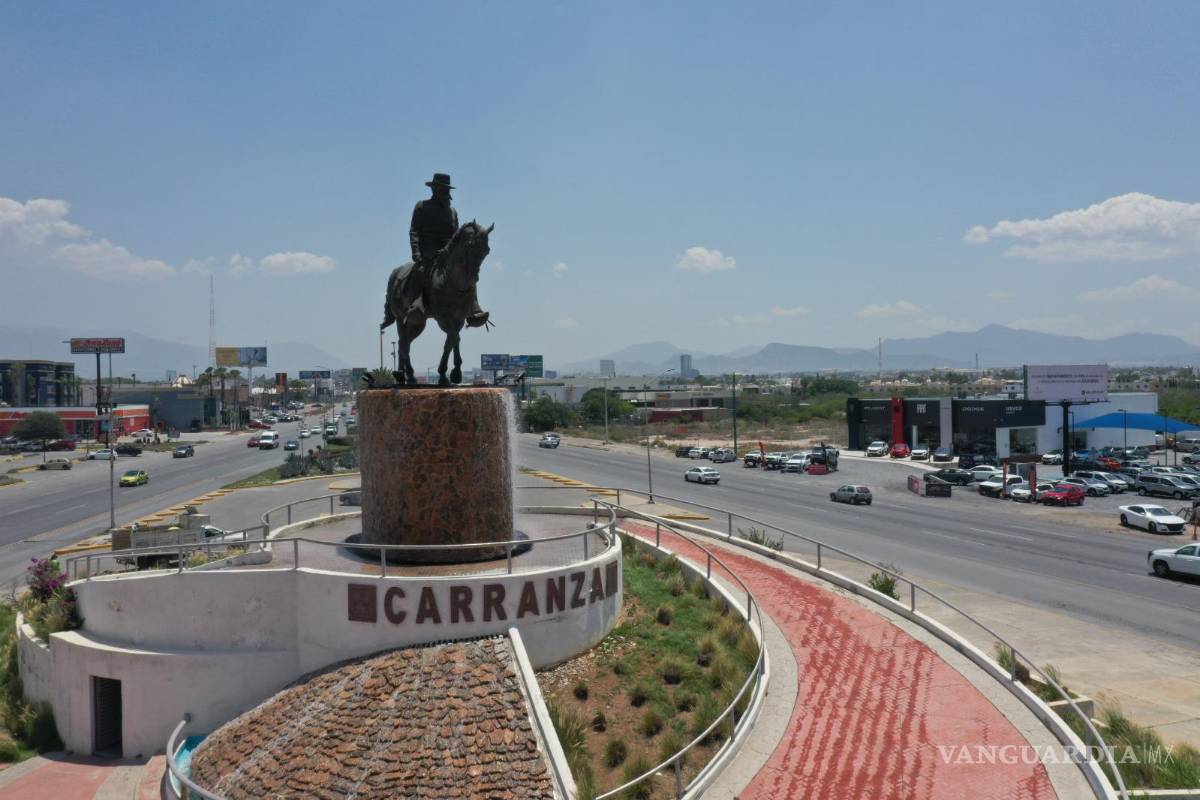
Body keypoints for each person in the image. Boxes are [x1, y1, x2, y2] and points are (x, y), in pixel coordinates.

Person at [401, 173, 489, 327]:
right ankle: (416, 304)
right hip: (427, 251)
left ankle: (473, 307)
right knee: (421, 271)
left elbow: (456, 236)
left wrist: (453, 251)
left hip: (447, 253)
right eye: (441, 189)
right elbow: (414, 230)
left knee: (469, 273)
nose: (445, 193)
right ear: (434, 189)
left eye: (446, 189)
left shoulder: (452, 212)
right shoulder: (422, 206)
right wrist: (416, 252)